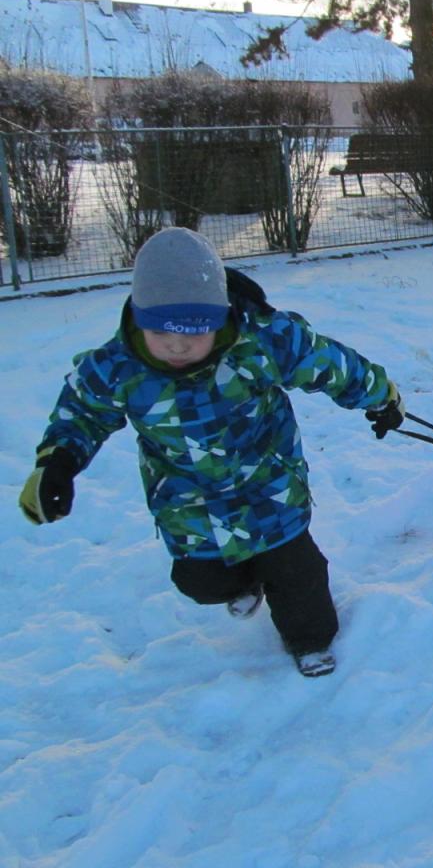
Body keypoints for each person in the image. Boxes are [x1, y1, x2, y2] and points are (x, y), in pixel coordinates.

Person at [18, 228, 406, 677]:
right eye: (160, 331)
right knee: (200, 583)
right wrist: (58, 462)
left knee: (295, 572)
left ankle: (310, 640)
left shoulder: (260, 340)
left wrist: (380, 396)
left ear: (219, 319)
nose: (177, 345)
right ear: (139, 318)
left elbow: (327, 363)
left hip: (269, 488)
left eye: (194, 331)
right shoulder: (117, 366)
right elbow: (82, 412)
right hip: (188, 505)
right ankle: (245, 581)